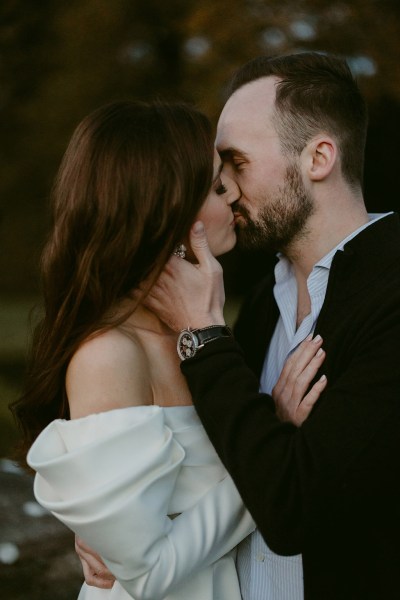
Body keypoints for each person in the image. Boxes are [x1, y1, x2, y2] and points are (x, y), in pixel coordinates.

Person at [11, 99, 326, 600]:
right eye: (219, 186)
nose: (236, 198)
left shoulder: (202, 333)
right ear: (167, 205)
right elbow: (146, 572)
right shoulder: (110, 354)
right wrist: (278, 442)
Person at [144, 52, 400, 600]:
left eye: (237, 162)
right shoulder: (265, 299)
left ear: (319, 157)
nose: (227, 190)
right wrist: (124, 529)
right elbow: (235, 462)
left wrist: (206, 341)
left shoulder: (393, 293)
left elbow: (295, 512)